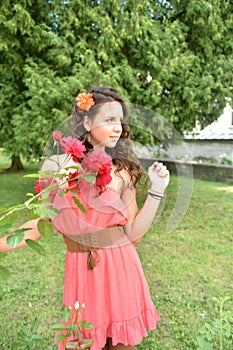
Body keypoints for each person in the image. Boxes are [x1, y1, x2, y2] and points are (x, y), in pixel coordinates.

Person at [0, 86, 170, 350]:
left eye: (120, 121)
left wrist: (157, 191)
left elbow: (133, 233)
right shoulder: (58, 165)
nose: (118, 128)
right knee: (80, 343)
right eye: (110, 120)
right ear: (87, 122)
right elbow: (43, 221)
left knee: (121, 345)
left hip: (121, 266)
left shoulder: (123, 171)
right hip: (81, 269)